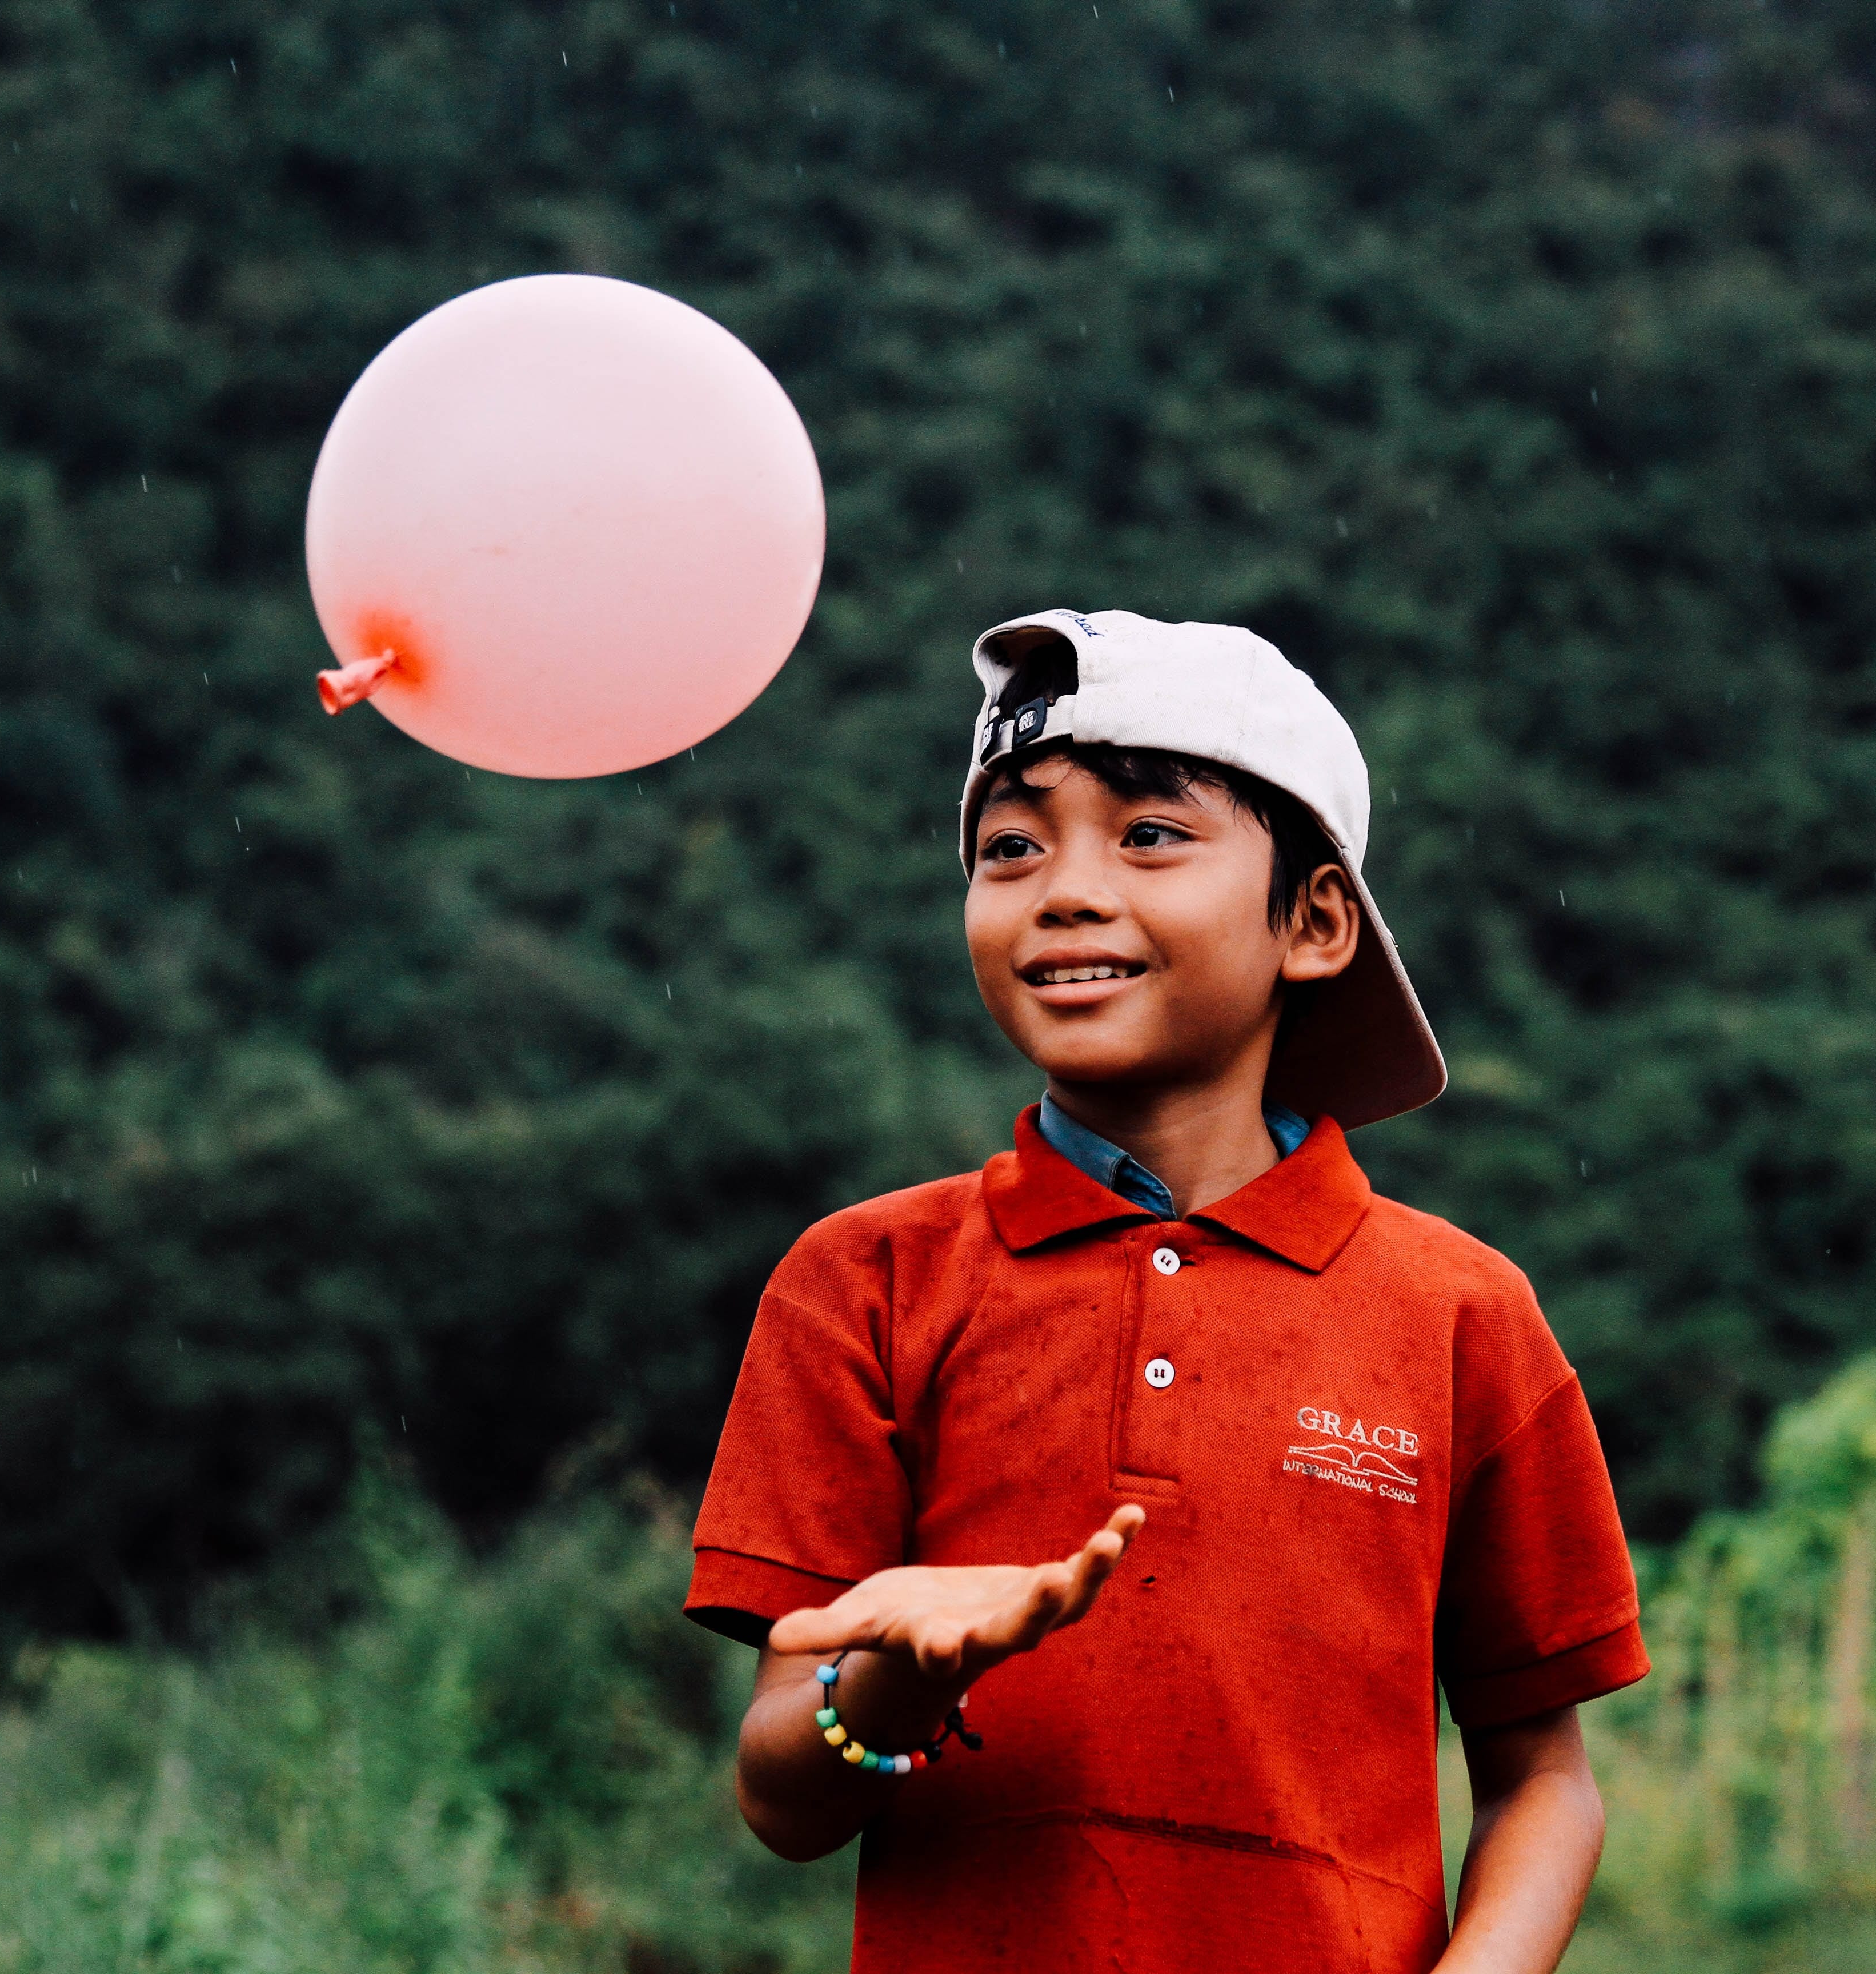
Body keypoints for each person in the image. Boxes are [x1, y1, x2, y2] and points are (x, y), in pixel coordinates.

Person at [684, 609, 1647, 1971]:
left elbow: (1546, 1779)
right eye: (1011, 846)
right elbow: (783, 1797)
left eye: (1148, 835)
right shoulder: (865, 1280)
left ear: (1314, 922)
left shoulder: (1462, 1313)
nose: (1063, 889)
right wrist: (898, 1678)